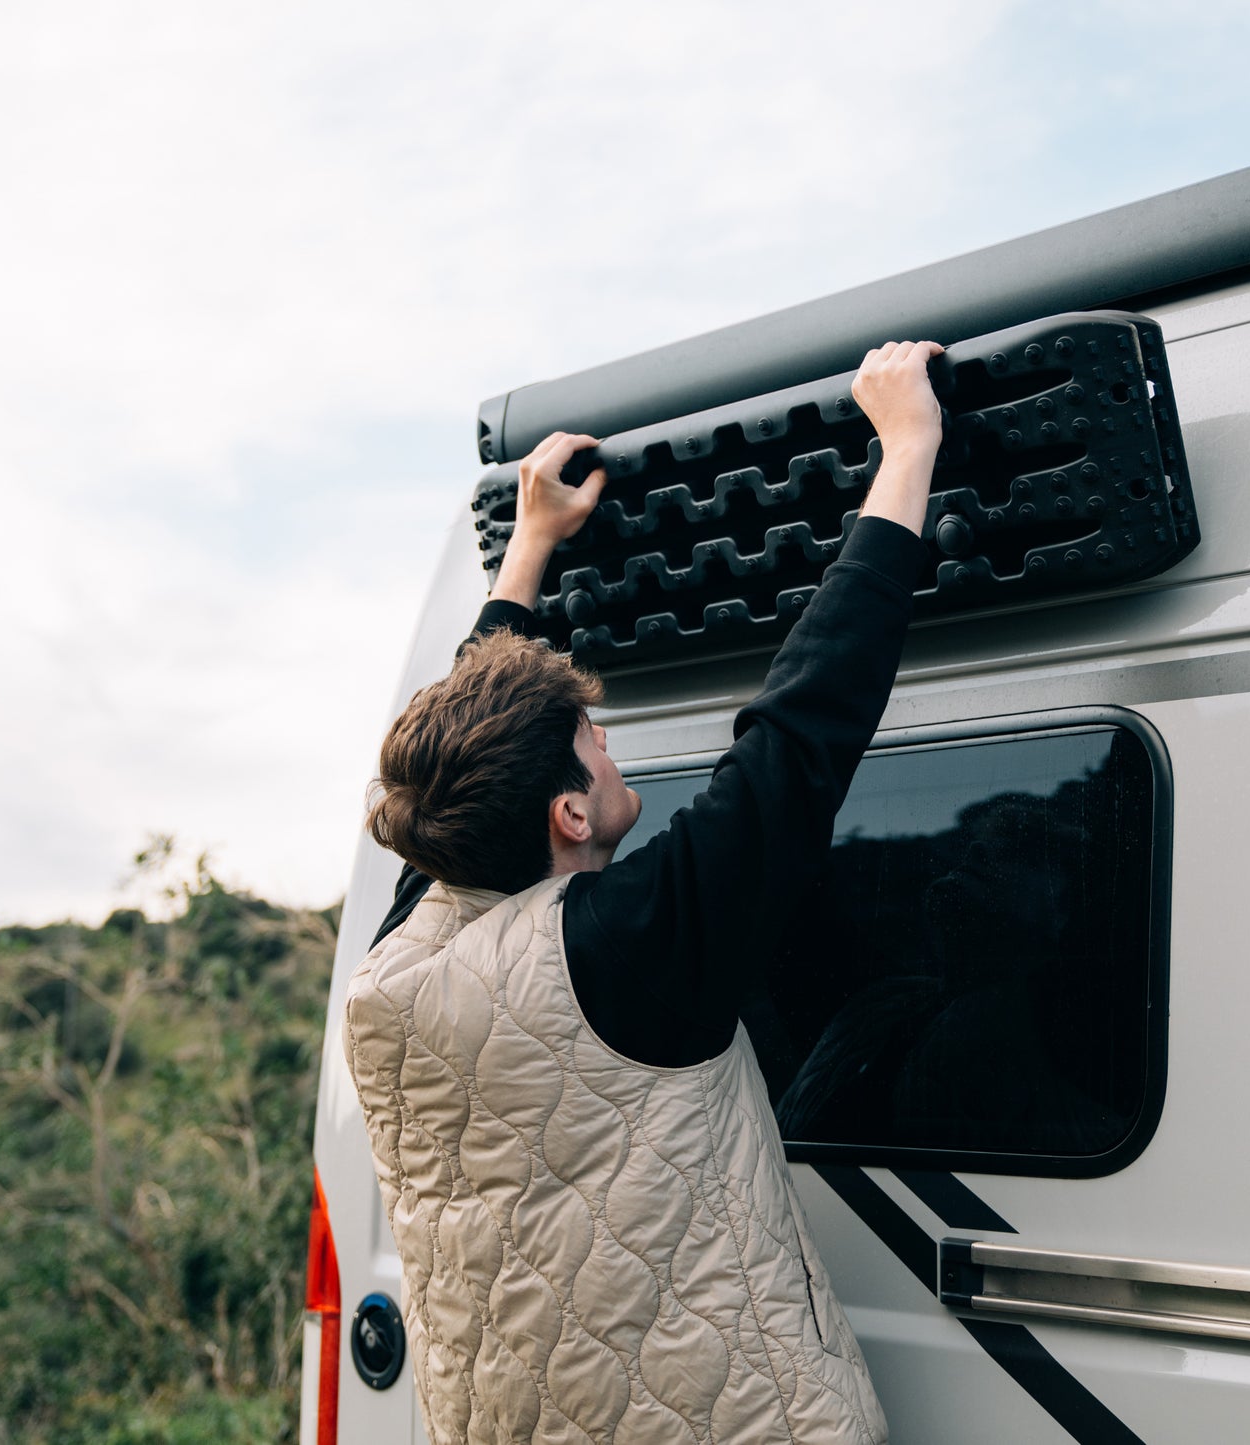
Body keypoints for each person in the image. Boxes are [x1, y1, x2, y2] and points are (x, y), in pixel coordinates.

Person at [344, 341, 946, 1445]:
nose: (610, 747)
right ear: (569, 816)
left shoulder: (392, 966)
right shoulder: (622, 949)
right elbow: (798, 736)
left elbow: (461, 751)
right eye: (592, 741)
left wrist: (528, 545)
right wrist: (906, 447)